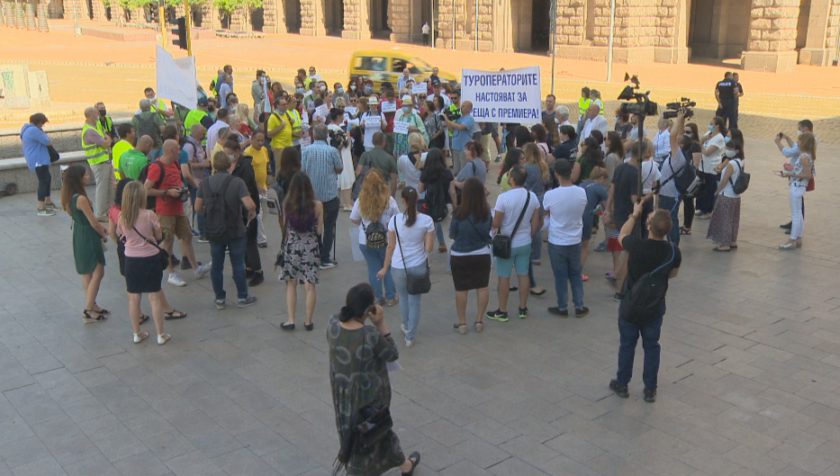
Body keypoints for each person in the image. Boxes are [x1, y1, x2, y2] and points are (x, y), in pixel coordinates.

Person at [328, 283, 421, 476]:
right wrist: (380, 324)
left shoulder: (333, 325)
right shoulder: (369, 335)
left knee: (370, 434)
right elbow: (392, 353)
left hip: (344, 397)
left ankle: (405, 465)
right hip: (369, 399)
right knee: (373, 434)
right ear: (368, 310)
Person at [609, 200, 681, 403]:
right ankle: (650, 388)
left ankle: (622, 383)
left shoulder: (637, 245)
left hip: (631, 302)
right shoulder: (673, 251)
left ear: (648, 226)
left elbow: (622, 235)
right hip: (655, 304)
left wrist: (634, 214)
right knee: (651, 345)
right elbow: (672, 274)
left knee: (627, 344)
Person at [118, 181, 184, 345]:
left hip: (131, 259)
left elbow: (122, 234)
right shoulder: (149, 215)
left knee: (133, 298)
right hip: (150, 258)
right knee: (154, 296)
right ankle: (160, 334)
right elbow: (158, 235)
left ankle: (136, 333)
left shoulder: (122, 216)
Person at [195, 151, 258, 309]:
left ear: (214, 165)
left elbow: (197, 207)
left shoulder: (205, 182)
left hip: (214, 230)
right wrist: (251, 212)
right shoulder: (237, 182)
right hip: (234, 228)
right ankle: (242, 297)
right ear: (229, 164)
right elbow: (249, 204)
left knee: (217, 265)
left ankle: (219, 299)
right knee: (237, 263)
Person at [145, 140, 211, 287]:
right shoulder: (156, 167)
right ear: (170, 151)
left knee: (186, 236)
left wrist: (182, 188)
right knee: (167, 241)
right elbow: (146, 189)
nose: (180, 152)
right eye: (177, 150)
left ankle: (196, 268)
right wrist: (167, 192)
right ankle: (171, 274)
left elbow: (178, 180)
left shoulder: (174, 164)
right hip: (165, 210)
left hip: (178, 208)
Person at [377, 187, 434, 347]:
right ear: (417, 199)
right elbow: (428, 248)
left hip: (398, 265)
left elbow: (390, 247)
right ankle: (410, 336)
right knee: (415, 301)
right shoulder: (427, 221)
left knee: (402, 296)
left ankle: (406, 324)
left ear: (402, 200)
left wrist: (384, 267)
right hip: (418, 265)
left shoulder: (394, 220)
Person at [487, 166, 540, 322]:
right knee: (523, 275)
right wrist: (528, 236)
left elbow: (496, 223)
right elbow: (535, 221)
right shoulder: (532, 197)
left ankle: (502, 311)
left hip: (506, 244)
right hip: (525, 242)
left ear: (512, 179)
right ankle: (523, 308)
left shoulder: (503, 198)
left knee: (504, 277)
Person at [60, 165, 109, 323]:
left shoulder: (69, 197)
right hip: (88, 235)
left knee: (86, 272)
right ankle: (88, 308)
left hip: (79, 234)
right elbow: (93, 222)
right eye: (85, 175)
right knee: (98, 270)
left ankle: (92, 304)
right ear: (78, 178)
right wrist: (102, 233)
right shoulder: (81, 199)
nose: (88, 176)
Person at [543, 159, 589, 317]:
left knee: (560, 275)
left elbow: (545, 212)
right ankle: (579, 305)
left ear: (556, 174)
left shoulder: (551, 195)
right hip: (575, 239)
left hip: (557, 240)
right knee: (576, 273)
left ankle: (562, 307)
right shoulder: (581, 192)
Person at [280, 172, 324, 331]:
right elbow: (319, 230)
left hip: (292, 246)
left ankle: (291, 320)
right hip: (311, 246)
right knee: (309, 285)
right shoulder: (317, 205)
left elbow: (285, 227)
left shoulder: (287, 204)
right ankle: (308, 321)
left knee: (291, 283)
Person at [350, 169, 400, 306]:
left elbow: (353, 219)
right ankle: (391, 297)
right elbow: (397, 217)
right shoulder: (388, 200)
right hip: (386, 239)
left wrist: (363, 223)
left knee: (373, 268)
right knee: (388, 267)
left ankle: (377, 298)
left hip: (365, 240)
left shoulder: (360, 201)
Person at [449, 177, 491, 334]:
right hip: (481, 253)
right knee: (482, 287)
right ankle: (479, 320)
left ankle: (462, 323)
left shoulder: (458, 212)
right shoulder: (486, 210)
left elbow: (452, 234)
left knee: (461, 289)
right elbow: (488, 231)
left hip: (459, 254)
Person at [301, 124, 343, 269]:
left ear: (313, 134)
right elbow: (339, 169)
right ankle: (325, 257)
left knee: (313, 226)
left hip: (312, 196)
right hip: (329, 195)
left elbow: (303, 171)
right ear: (326, 135)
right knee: (329, 226)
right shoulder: (332, 151)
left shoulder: (306, 150)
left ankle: (315, 253)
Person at [225, 138, 265, 286]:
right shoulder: (230, 165)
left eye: (229, 153)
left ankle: (258, 271)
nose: (227, 156)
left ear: (237, 152)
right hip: (236, 208)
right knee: (242, 241)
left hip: (247, 207)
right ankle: (248, 267)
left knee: (250, 241)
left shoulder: (245, 166)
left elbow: (247, 187)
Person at [605, 139, 641, 297]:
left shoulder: (620, 167)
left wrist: (607, 207)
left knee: (617, 245)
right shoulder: (635, 172)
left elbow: (612, 188)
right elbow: (634, 198)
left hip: (617, 214)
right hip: (628, 217)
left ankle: (616, 271)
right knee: (629, 252)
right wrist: (641, 205)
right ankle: (620, 288)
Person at [705, 139, 745, 252]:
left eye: (730, 148)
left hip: (726, 194)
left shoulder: (731, 164)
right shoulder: (741, 161)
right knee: (733, 219)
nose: (728, 150)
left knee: (725, 219)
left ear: (736, 150)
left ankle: (725, 243)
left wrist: (717, 191)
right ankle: (733, 240)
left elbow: (724, 180)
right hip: (735, 195)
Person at [778, 132, 815, 250]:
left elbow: (807, 174)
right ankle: (798, 237)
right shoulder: (808, 155)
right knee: (798, 213)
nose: (797, 143)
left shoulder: (804, 157)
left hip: (797, 186)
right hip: (799, 186)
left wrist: (790, 173)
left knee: (795, 214)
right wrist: (792, 168)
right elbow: (803, 171)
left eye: (799, 141)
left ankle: (792, 239)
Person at [657, 109, 689, 244]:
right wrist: (681, 119)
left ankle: (672, 244)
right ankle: (670, 243)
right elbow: (679, 134)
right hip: (669, 193)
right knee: (671, 218)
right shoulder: (680, 153)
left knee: (670, 220)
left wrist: (678, 118)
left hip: (670, 196)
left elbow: (673, 136)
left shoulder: (678, 156)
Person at [418, 148, 456, 252]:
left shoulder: (425, 173)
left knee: (429, 236)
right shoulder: (447, 173)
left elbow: (420, 189)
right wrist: (455, 206)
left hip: (430, 206)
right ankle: (452, 262)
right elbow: (452, 192)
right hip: (446, 205)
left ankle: (427, 263)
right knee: (448, 235)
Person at [81, 107, 114, 222]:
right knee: (102, 188)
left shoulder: (97, 126)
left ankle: (110, 210)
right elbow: (106, 143)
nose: (99, 114)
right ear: (90, 116)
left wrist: (107, 140)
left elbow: (107, 138)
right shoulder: (89, 130)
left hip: (105, 161)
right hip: (98, 162)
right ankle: (100, 213)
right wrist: (108, 141)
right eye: (96, 113)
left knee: (110, 186)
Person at [21, 113, 56, 217]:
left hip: (36, 158)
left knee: (47, 178)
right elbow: (47, 141)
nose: (43, 125)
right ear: (39, 122)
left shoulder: (26, 128)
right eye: (42, 123)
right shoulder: (34, 130)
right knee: (43, 181)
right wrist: (43, 133)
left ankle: (48, 202)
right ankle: (41, 207)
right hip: (39, 159)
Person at [696, 117, 727, 220]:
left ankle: (708, 210)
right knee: (702, 188)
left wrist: (700, 145)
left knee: (709, 189)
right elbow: (701, 141)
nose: (710, 125)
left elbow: (707, 152)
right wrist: (703, 140)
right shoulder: (709, 133)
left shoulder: (719, 138)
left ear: (717, 125)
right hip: (703, 165)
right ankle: (701, 208)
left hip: (711, 167)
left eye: (711, 123)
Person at [244, 129, 269, 249]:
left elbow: (265, 166)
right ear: (252, 139)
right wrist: (255, 186)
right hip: (254, 189)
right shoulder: (247, 153)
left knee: (264, 213)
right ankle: (261, 239)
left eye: (262, 140)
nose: (260, 143)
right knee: (259, 213)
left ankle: (253, 231)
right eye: (258, 140)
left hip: (264, 187)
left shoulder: (264, 150)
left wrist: (265, 183)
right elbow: (247, 173)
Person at [327, 110, 354, 211]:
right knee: (346, 178)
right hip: (343, 156)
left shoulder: (327, 127)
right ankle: (348, 203)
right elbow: (345, 143)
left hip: (332, 156)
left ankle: (338, 201)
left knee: (337, 179)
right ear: (338, 116)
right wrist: (348, 132)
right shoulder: (338, 130)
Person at [358, 131, 399, 197]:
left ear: (372, 141)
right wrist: (392, 196)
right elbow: (394, 180)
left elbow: (358, 173)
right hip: (383, 190)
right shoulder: (389, 158)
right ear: (383, 142)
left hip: (368, 190)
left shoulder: (365, 155)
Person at [679, 123, 702, 235]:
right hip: (684, 176)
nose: (685, 134)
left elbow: (695, 163)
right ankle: (685, 224)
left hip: (690, 177)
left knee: (689, 202)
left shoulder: (695, 145)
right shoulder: (685, 144)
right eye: (684, 131)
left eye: (688, 132)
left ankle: (688, 226)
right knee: (686, 201)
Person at [442, 99, 475, 174]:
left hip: (464, 148)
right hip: (455, 146)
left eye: (463, 106)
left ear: (469, 108)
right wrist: (448, 123)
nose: (461, 107)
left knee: (463, 168)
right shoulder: (459, 118)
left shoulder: (470, 118)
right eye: (461, 106)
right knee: (456, 168)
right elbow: (453, 130)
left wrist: (448, 121)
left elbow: (461, 127)